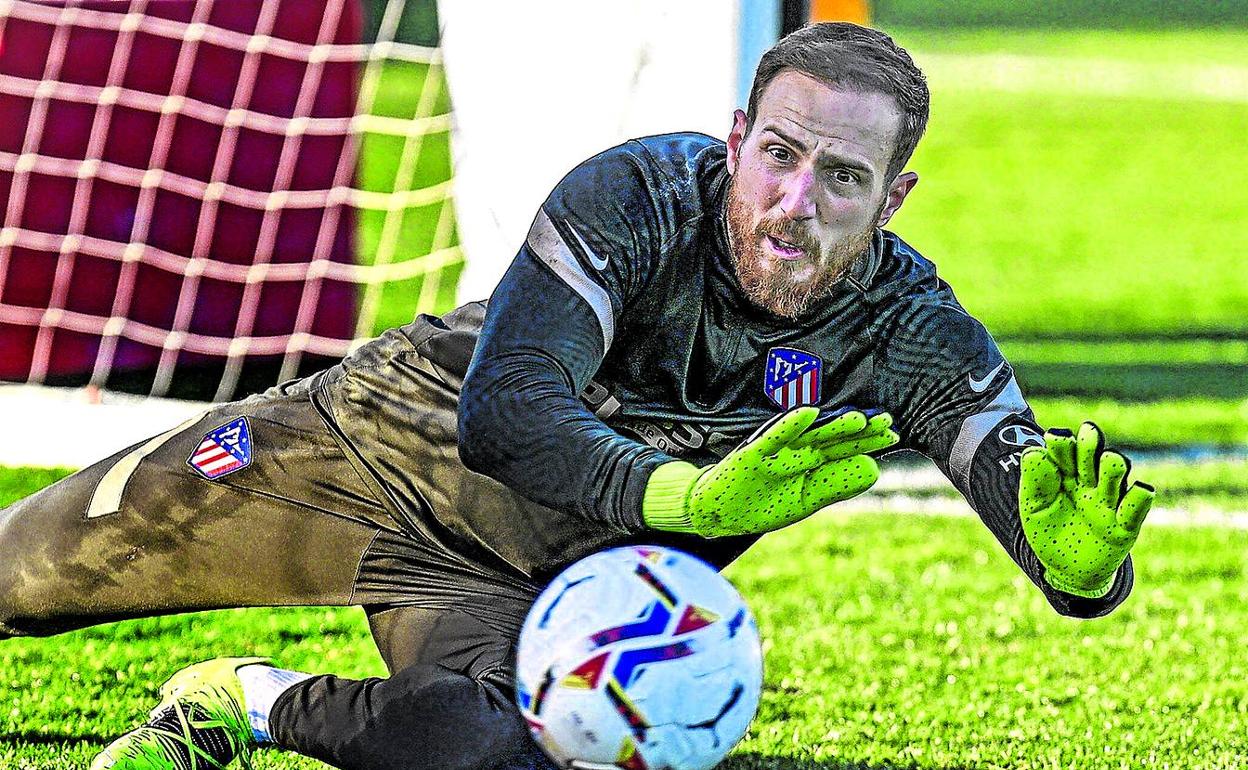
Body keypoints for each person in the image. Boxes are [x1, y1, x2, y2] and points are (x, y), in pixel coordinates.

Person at [0, 22, 1154, 770]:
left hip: (521, 592)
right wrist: (693, 500)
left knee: (475, 748)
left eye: (843, 177)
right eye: (781, 156)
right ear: (740, 138)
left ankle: (238, 705)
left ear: (892, 198)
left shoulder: (907, 328)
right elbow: (504, 413)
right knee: (17, 577)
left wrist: (1085, 568)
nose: (798, 200)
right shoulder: (640, 197)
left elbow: (1034, 501)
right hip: (358, 457)